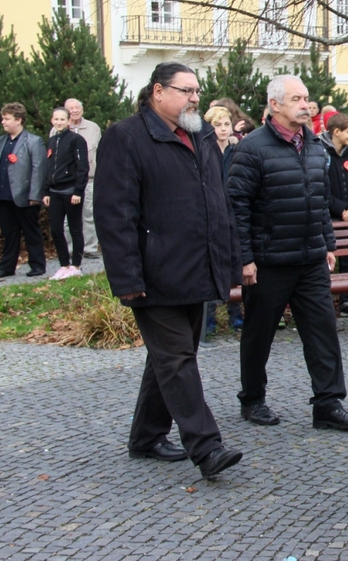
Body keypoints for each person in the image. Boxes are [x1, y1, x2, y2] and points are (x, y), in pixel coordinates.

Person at [95, 62, 242, 479]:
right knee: (177, 359)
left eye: (197, 90)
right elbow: (114, 214)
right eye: (186, 90)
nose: (195, 97)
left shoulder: (201, 134)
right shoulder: (125, 137)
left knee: (172, 357)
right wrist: (126, 278)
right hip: (153, 275)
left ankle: (146, 436)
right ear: (157, 92)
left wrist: (229, 262)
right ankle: (207, 447)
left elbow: (219, 206)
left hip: (195, 270)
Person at [227, 74, 348, 432]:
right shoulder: (253, 148)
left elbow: (318, 200)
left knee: (323, 332)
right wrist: (245, 258)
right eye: (296, 99)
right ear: (275, 105)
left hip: (310, 258)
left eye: (306, 99)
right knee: (259, 334)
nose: (306, 105)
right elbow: (236, 205)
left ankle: (328, 403)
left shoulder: (315, 145)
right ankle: (253, 400)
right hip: (269, 260)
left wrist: (328, 244)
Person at [0, 103, 46, 278]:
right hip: (2, 195)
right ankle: (7, 267)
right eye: (3, 118)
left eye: (6, 119)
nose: (3, 122)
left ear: (18, 120)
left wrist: (35, 195)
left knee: (31, 231)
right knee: (9, 233)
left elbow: (39, 169)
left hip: (24, 195)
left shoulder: (33, 141)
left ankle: (37, 265)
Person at [202, 105, 244, 334]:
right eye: (217, 125)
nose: (223, 129)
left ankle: (235, 315)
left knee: (233, 266)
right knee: (211, 267)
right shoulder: (204, 150)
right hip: (213, 213)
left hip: (234, 211)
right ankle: (208, 319)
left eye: (226, 124)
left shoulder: (237, 150)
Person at [319, 112, 348, 316]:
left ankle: (347, 302)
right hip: (330, 216)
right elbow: (321, 189)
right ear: (336, 132)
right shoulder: (321, 153)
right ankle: (324, 306)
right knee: (326, 264)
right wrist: (341, 209)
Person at [42, 107, 89, 281]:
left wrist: (78, 190)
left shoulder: (76, 140)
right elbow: (49, 168)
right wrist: (46, 190)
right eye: (56, 119)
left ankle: (76, 265)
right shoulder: (52, 141)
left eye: (63, 119)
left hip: (71, 192)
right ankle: (63, 265)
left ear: (69, 121)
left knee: (75, 228)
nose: (59, 122)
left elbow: (82, 167)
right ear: (52, 121)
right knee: (55, 229)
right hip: (54, 192)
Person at [64, 99, 101, 258]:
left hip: (90, 178)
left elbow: (100, 152)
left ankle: (90, 248)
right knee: (67, 218)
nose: (74, 111)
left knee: (89, 215)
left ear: (82, 109)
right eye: (70, 108)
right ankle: (70, 249)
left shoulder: (93, 128)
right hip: (67, 181)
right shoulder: (58, 129)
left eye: (77, 107)